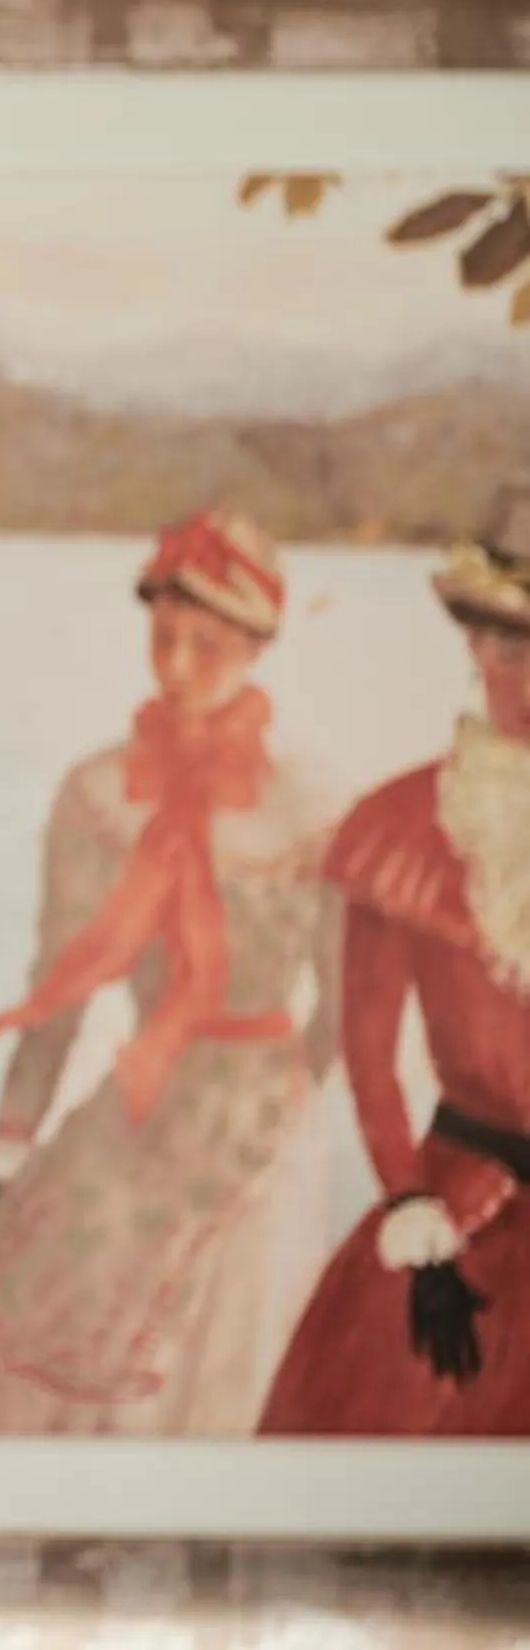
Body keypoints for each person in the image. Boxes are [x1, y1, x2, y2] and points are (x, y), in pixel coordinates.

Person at [0, 511, 338, 1432]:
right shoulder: (100, 794)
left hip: (263, 1119)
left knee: (211, 1362)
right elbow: (56, 995)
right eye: (163, 638)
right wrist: (2, 1160)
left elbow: (342, 996)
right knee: (19, 1265)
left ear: (257, 645)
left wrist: (291, 1110)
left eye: (205, 644)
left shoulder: (313, 801)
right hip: (143, 1094)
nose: (175, 666)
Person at [260, 491, 530, 1436]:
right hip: (464, 1214)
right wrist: (412, 1213)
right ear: (472, 651)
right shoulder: (400, 829)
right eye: (509, 649)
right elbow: (369, 1055)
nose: (529, 681)